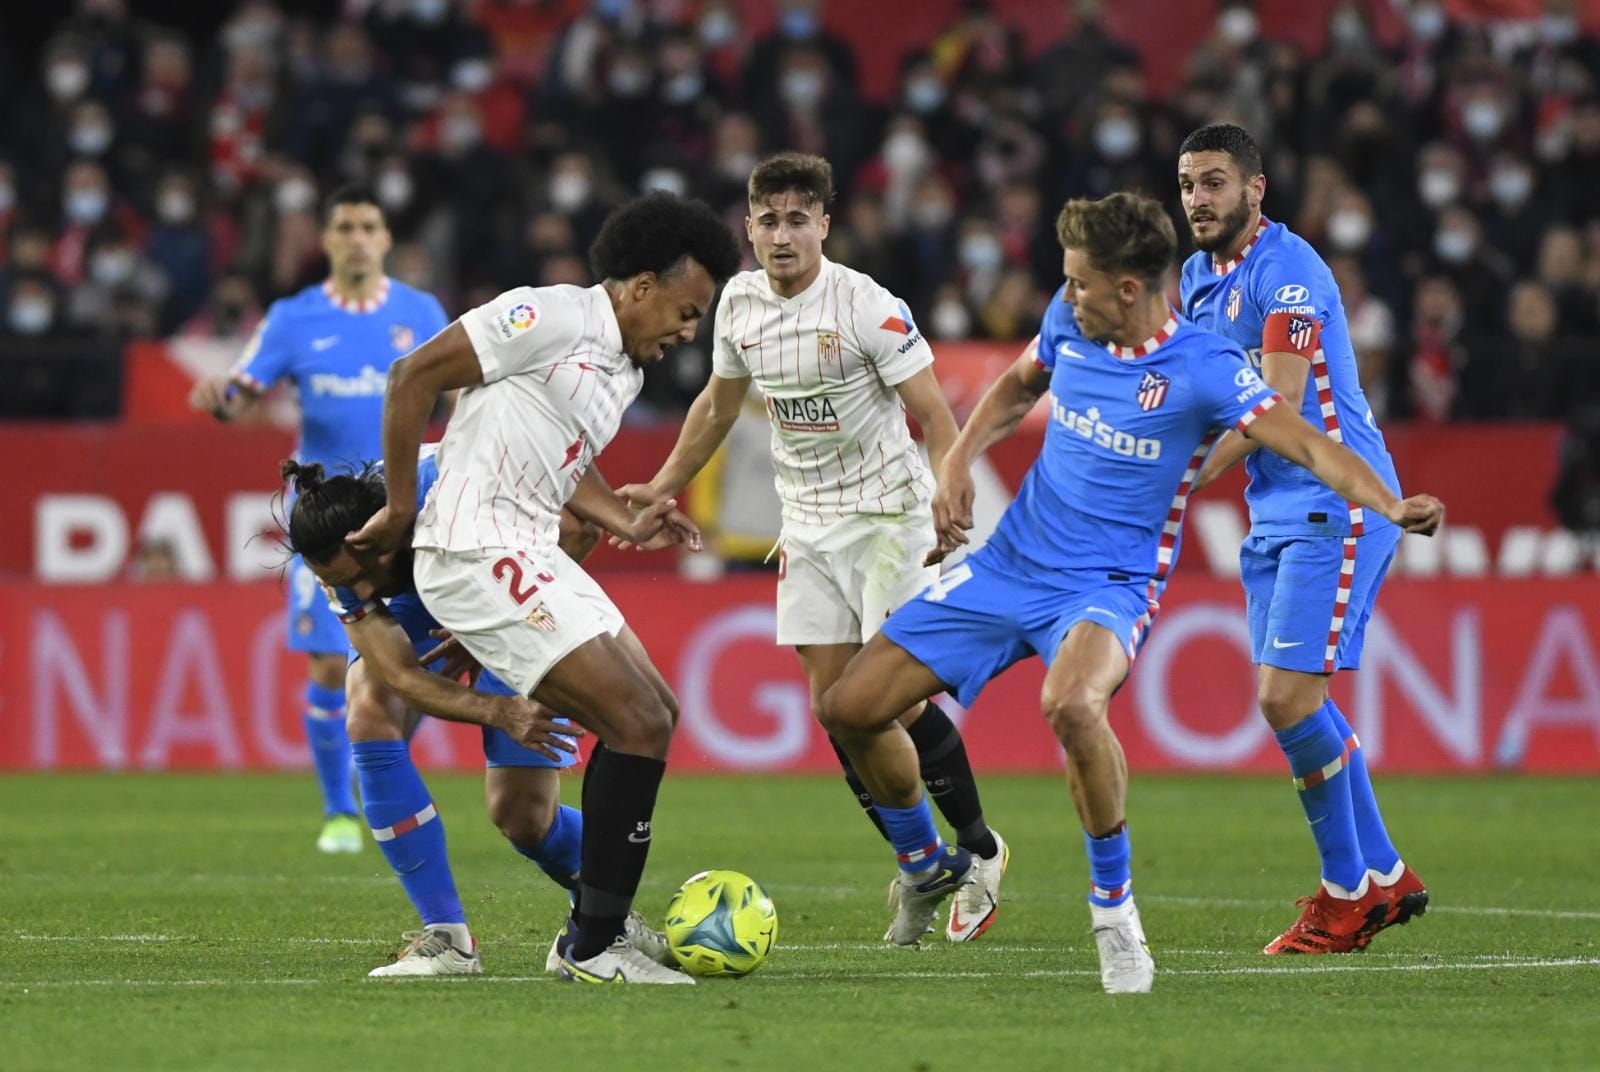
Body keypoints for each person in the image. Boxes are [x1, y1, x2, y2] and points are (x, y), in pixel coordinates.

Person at [817, 191, 1443, 994]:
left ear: (1126, 289)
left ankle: (1115, 915)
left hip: (1108, 586)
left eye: (1080, 282)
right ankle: (925, 864)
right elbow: (1014, 386)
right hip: (1011, 564)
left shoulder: (1205, 369)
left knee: (1073, 705)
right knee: (848, 708)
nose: (1066, 295)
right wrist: (957, 462)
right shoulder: (1071, 321)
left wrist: (1390, 503)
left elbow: (1309, 444)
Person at [348, 192, 743, 985]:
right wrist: (398, 505)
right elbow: (411, 375)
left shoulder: (619, 371)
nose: (690, 332)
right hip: (475, 543)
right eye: (687, 309)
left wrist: (624, 520)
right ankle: (596, 945)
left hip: (531, 545)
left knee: (657, 714)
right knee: (632, 720)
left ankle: (591, 937)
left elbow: (564, 457)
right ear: (638, 285)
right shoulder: (551, 316)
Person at [617, 152, 1008, 943]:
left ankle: (982, 850)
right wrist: (661, 486)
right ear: (749, 228)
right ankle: (925, 864)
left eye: (799, 219)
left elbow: (935, 415)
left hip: (890, 518)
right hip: (808, 525)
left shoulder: (868, 306)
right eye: (768, 220)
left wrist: (948, 486)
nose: (782, 235)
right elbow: (716, 409)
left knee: (887, 699)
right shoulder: (737, 308)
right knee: (838, 713)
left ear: (824, 225)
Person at [1176, 123, 1433, 954]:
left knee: (1285, 699)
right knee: (1301, 701)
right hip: (1273, 511)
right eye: (1186, 186)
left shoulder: (1286, 271)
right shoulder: (1194, 278)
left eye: (1213, 183)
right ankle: (1384, 873)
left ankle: (1344, 894)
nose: (1197, 200)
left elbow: (1273, 408)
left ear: (1255, 190)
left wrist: (1182, 481)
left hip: (1334, 501)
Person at [281, 451, 685, 977]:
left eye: (359, 575)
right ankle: (447, 938)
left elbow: (575, 529)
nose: (359, 595)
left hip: (518, 575)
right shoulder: (343, 563)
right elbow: (402, 676)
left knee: (522, 816)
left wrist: (488, 628)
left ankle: (598, 918)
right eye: (338, 582)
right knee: (368, 705)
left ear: (382, 529)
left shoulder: (451, 486)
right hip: (435, 599)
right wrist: (501, 711)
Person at [188, 184, 448, 856]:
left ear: (386, 239)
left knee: (405, 660)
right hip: (326, 522)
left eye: (368, 226)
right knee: (333, 667)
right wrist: (221, 397)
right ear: (326, 240)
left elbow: (467, 385)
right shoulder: (293, 317)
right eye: (344, 227)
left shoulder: (421, 313)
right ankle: (339, 812)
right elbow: (242, 388)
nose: (357, 237)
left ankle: (377, 770)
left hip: (406, 510)